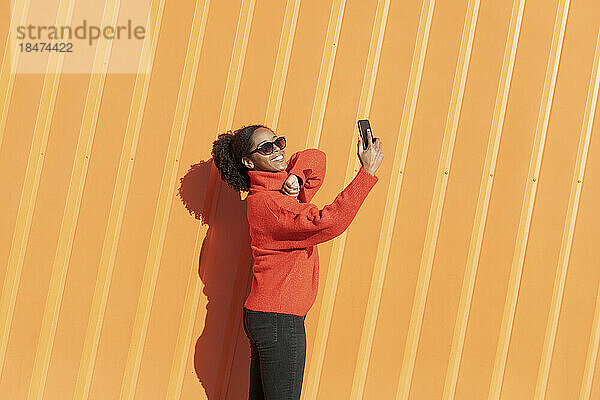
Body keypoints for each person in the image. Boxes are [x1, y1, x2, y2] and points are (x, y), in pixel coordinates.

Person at [211, 124, 384, 399]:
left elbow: (317, 158)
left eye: (278, 142)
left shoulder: (282, 192)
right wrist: (366, 174)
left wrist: (293, 177)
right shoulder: (271, 204)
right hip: (279, 319)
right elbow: (328, 223)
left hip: (268, 316)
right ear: (248, 162)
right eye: (266, 148)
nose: (277, 150)